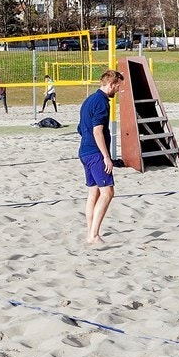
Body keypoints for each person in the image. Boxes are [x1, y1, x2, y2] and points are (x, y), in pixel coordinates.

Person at [78, 69, 124, 244]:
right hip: (96, 153)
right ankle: (94, 235)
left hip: (84, 152)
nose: (118, 91)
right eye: (117, 87)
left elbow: (80, 129)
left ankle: (90, 233)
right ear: (111, 84)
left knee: (93, 193)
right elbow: (97, 131)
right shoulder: (102, 102)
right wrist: (106, 156)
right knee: (108, 192)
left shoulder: (88, 100)